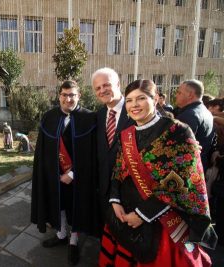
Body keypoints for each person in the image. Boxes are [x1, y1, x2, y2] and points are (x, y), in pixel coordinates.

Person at [98, 79, 217, 266]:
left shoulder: (178, 131)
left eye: (141, 98)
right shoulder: (127, 132)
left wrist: (141, 214)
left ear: (156, 100)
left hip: (161, 223)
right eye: (129, 100)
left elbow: (179, 182)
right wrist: (115, 201)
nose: (134, 105)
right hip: (124, 215)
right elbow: (118, 170)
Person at [31, 80, 99, 266]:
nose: (68, 99)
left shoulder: (90, 118)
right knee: (58, 205)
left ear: (79, 96)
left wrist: (73, 174)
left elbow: (92, 154)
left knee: (75, 207)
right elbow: (43, 150)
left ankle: (73, 241)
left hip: (79, 177)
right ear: (59, 95)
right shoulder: (49, 117)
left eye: (72, 95)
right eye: (64, 95)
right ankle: (61, 235)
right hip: (55, 176)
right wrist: (49, 174)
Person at [91, 67, 133, 223]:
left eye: (106, 85)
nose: (102, 90)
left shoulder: (135, 110)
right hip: (104, 188)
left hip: (130, 190)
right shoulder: (99, 115)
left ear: (118, 84)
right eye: (98, 88)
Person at [175, 80, 215, 171]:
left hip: (189, 170)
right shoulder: (205, 111)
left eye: (179, 92)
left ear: (190, 95)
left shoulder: (189, 115)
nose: (176, 95)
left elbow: (179, 148)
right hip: (200, 165)